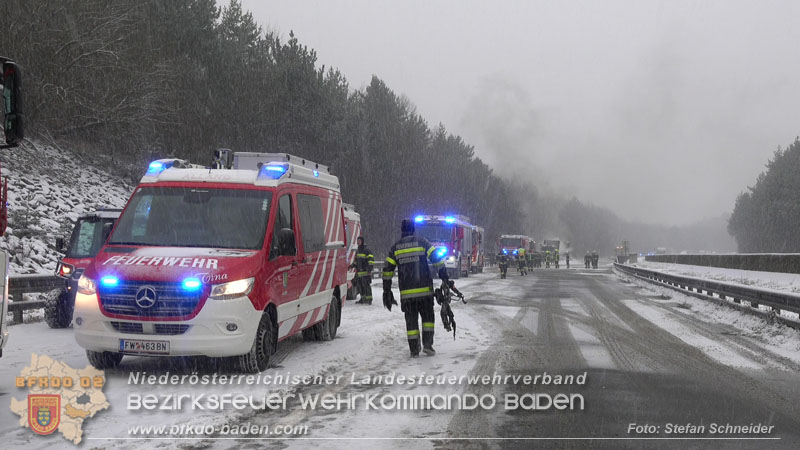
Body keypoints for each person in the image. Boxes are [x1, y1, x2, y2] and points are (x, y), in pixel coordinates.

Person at [382, 219, 450, 357]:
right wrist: (444, 277)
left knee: (411, 321)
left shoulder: (395, 247)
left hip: (407, 295)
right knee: (428, 319)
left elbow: (387, 271)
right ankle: (428, 345)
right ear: (413, 229)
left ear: (402, 230)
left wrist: (387, 291)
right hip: (425, 292)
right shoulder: (422, 242)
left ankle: (414, 349)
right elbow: (437, 259)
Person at [352, 236, 374, 304]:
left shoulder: (366, 250)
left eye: (359, 240)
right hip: (359, 273)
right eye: (357, 240)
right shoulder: (358, 251)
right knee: (360, 287)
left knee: (366, 286)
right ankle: (363, 298)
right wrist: (352, 265)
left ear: (362, 241)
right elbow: (356, 261)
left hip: (365, 272)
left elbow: (371, 260)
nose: (358, 242)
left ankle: (369, 299)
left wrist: (369, 269)